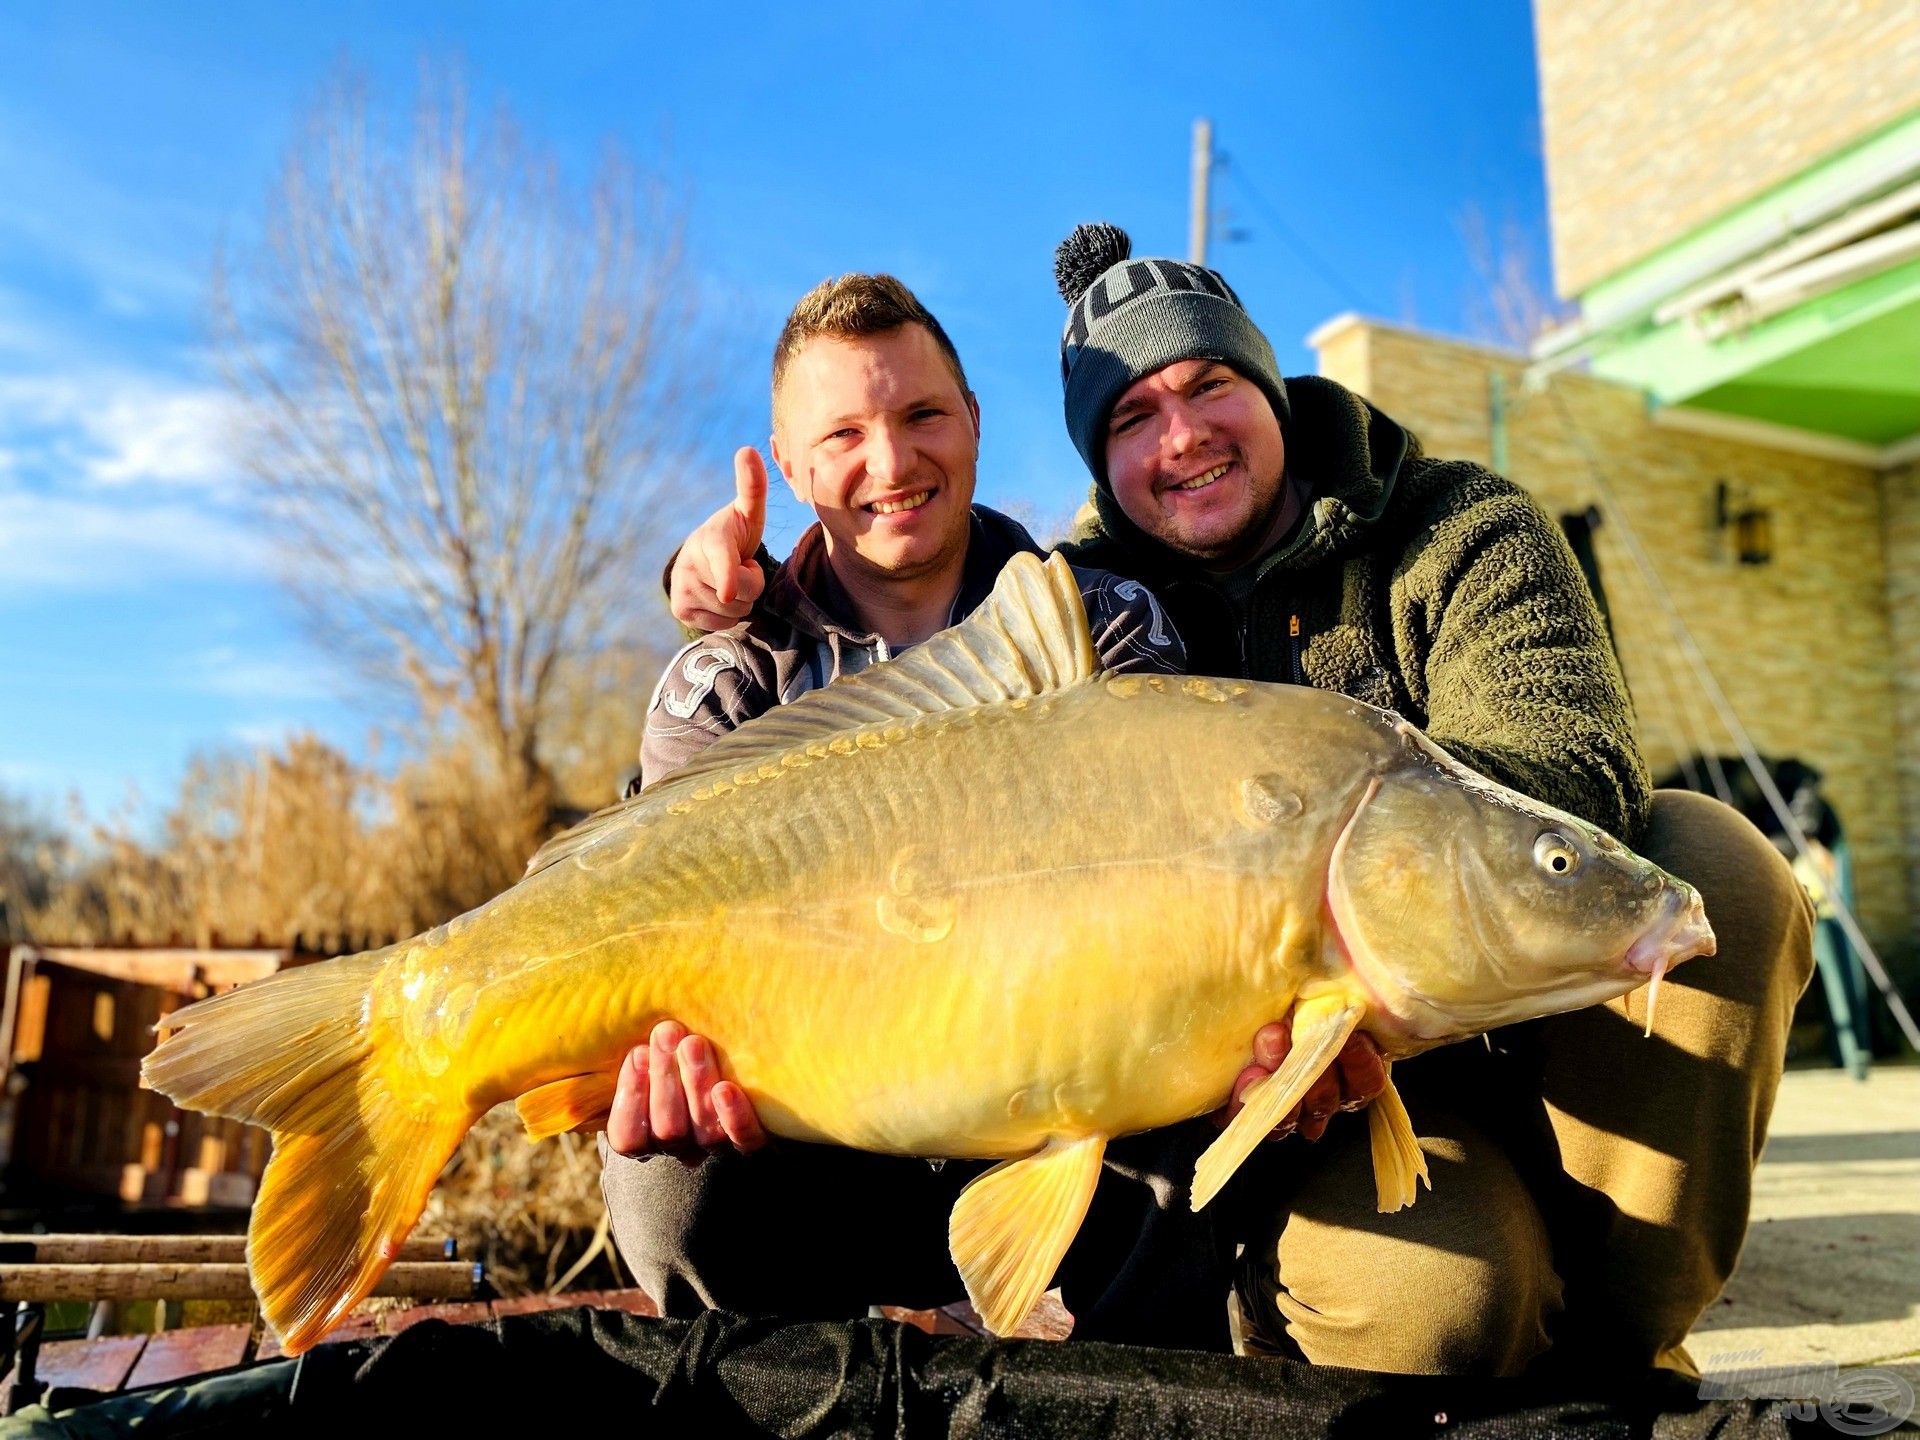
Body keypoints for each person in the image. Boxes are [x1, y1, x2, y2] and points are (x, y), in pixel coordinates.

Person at [662, 226, 1814, 1376]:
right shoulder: (1092, 610)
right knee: (1444, 1309)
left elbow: (1577, 763)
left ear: (1269, 387)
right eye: (1131, 419)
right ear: (1097, 460)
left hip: (1508, 1001)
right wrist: (719, 584)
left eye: (1210, 385)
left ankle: (1625, 1359)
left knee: (1717, 865)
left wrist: (1341, 858)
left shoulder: (1462, 527)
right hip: (1338, 1086)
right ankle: (1320, 1325)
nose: (1183, 436)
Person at [602, 271, 1387, 1350]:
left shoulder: (1102, 624)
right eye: (842, 435)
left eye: (923, 414)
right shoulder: (724, 683)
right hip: (819, 1133)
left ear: (972, 419)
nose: (892, 462)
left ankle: (1136, 1396)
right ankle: (803, 1388)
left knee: (1187, 1121)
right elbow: (639, 916)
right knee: (663, 1183)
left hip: (1067, 1111)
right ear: (788, 467)